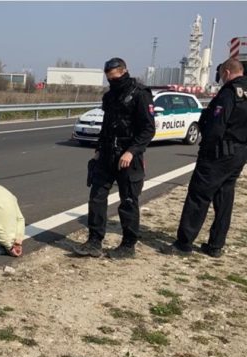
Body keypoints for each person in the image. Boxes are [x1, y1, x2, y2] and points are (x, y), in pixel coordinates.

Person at [162, 58, 247, 258]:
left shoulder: (229, 93)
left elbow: (216, 126)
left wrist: (206, 148)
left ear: (227, 71)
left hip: (219, 152)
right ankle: (216, 245)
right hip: (240, 152)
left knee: (198, 195)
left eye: (220, 74)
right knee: (224, 197)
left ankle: (184, 243)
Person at [73, 57, 156, 259]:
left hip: (128, 156)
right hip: (107, 154)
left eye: (115, 76)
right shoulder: (109, 96)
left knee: (128, 200)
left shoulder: (140, 94)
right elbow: (107, 125)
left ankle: (128, 245)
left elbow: (148, 129)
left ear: (124, 71)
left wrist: (132, 151)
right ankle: (94, 241)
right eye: (108, 77)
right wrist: (99, 149)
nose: (112, 80)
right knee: (97, 197)